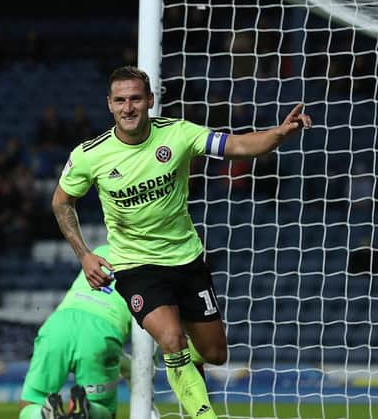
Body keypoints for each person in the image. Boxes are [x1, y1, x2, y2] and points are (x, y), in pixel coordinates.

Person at [51, 66, 313, 419]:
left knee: (214, 353)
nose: (129, 107)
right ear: (110, 105)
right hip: (136, 266)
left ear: (150, 101)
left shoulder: (178, 134)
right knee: (172, 339)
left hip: (187, 261)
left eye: (136, 99)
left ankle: (187, 382)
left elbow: (236, 145)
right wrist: (84, 254)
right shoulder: (90, 154)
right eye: (121, 100)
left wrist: (279, 133)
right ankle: (203, 414)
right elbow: (61, 201)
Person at [19, 244, 181, 419]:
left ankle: (43, 414)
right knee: (103, 408)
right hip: (101, 330)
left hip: (59, 324)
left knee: (32, 402)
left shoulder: (101, 249)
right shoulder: (155, 266)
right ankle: (87, 408)